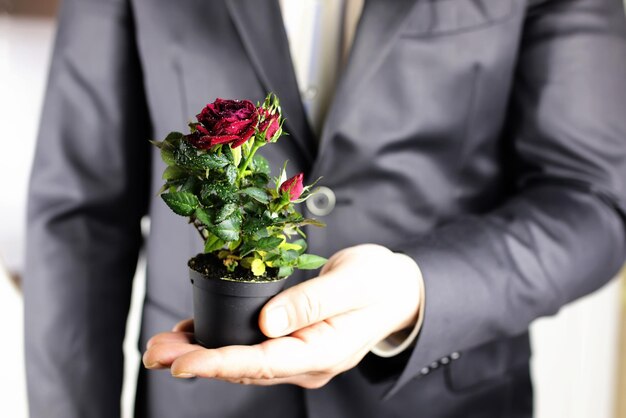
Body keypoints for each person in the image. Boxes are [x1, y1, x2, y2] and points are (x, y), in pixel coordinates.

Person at [25, 0, 626, 417]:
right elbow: (78, 214)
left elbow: (592, 200)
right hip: (200, 400)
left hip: (445, 399)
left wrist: (414, 292)